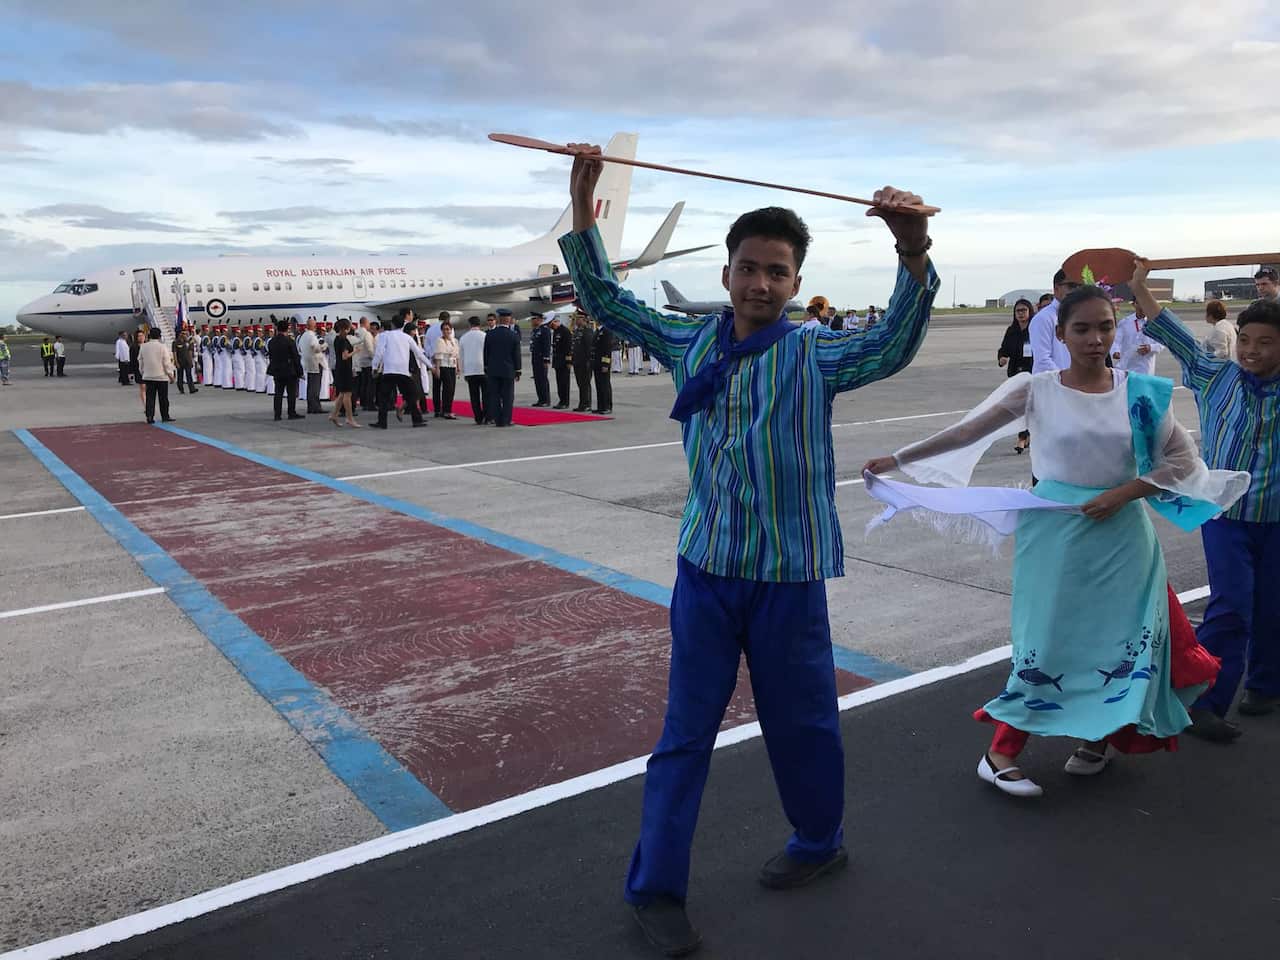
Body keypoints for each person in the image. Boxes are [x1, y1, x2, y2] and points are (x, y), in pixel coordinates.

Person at [560, 141, 939, 956]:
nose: (760, 283)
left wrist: (912, 250)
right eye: (748, 267)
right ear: (727, 274)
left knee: (801, 721)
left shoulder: (817, 354)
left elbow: (895, 345)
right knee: (683, 733)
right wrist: (582, 193)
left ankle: (817, 841)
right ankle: (656, 890)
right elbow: (601, 294)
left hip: (787, 576)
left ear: (796, 284)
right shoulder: (685, 342)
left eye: (777, 271)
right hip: (706, 571)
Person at [863, 282, 1247, 798]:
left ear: (1118, 329)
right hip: (1054, 534)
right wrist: (900, 459)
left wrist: (1123, 493)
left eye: (1105, 327)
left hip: (1123, 538)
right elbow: (966, 432)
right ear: (1060, 334)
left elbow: (1181, 462)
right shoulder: (1035, 390)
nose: (1094, 339)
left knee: (1120, 642)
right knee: (1048, 639)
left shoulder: (1141, 393)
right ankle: (1000, 751)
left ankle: (1097, 740)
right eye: (1082, 329)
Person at [1138, 261, 1280, 739]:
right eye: (1246, 340)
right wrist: (1138, 287)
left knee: (1272, 605)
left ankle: (1265, 683)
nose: (1252, 350)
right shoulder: (1214, 376)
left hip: (1277, 518)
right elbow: (1173, 331)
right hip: (1224, 515)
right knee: (1232, 605)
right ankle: (1204, 701)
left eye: (1265, 342)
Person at [371, 311, 429, 429]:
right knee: (411, 396)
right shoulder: (407, 337)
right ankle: (416, 420)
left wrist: (374, 367)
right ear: (403, 325)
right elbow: (419, 353)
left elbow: (379, 353)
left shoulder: (384, 335)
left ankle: (382, 422)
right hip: (403, 371)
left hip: (389, 370)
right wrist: (431, 366)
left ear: (392, 324)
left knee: (384, 398)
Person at [997, 298, 1035, 453]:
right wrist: (1001, 358)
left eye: (1023, 310)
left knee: (1028, 407)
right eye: (1017, 311)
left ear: (1029, 311)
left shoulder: (1035, 329)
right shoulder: (1011, 330)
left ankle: (1022, 438)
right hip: (1015, 373)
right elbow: (1004, 348)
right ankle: (1025, 435)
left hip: (1032, 372)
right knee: (1021, 408)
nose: (1020, 314)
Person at [1029, 268, 1079, 374]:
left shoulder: (1079, 316)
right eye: (1072, 286)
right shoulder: (1043, 318)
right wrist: (1066, 381)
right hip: (1051, 384)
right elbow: (1042, 360)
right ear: (1056, 289)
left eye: (1080, 286)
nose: (1076, 290)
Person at [483, 310, 521, 427]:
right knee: (508, 396)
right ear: (509, 320)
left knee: (494, 395)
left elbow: (486, 353)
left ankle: (498, 420)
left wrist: (486, 367)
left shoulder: (490, 334)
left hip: (493, 369)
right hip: (508, 370)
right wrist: (518, 370)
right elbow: (516, 355)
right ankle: (506, 419)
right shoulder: (513, 335)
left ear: (499, 319)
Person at [1111, 298, 1165, 376]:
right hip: (1126, 368)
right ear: (1134, 304)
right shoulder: (1125, 322)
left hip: (1145, 369)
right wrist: (1115, 351)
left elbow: (1161, 343)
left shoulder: (1154, 324)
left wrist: (1150, 348)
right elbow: (1116, 341)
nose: (1143, 306)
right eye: (1140, 303)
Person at [267, 319, 304, 421]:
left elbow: (270, 356)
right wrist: (300, 372)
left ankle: (277, 414)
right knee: (291, 393)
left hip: (277, 370)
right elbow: (296, 357)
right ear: (287, 329)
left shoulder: (272, 342)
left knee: (278, 393)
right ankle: (291, 412)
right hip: (289, 370)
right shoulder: (289, 341)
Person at [138, 327, 176, 425]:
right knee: (163, 398)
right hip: (161, 376)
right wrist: (171, 375)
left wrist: (143, 372)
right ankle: (165, 416)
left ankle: (150, 416)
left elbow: (140, 361)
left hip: (148, 376)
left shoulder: (143, 346)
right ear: (159, 336)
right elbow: (166, 363)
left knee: (150, 397)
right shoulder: (162, 347)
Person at [327, 318, 360, 428]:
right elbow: (345, 356)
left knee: (341, 394)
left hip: (340, 368)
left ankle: (334, 414)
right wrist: (355, 351)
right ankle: (349, 418)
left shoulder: (337, 339)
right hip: (345, 369)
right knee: (347, 394)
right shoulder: (344, 340)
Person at [459, 316, 488, 424]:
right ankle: (487, 415)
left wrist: (463, 370)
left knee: (474, 395)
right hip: (483, 368)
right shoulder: (485, 336)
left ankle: (478, 417)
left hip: (470, 369)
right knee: (486, 394)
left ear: (469, 324)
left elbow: (461, 356)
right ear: (479, 324)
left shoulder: (463, 337)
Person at [433, 319, 459, 419]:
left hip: (452, 366)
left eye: (448, 329)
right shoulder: (440, 340)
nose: (446, 331)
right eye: (444, 329)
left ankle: (448, 409)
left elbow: (457, 355)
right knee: (447, 389)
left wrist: (458, 367)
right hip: (443, 366)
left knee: (452, 389)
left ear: (451, 330)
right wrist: (438, 369)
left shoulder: (454, 341)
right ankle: (446, 411)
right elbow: (438, 356)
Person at [299, 318, 323, 413]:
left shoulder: (303, 336)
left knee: (310, 385)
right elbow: (314, 347)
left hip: (307, 361)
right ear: (313, 326)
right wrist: (322, 347)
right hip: (315, 362)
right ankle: (316, 407)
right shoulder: (312, 336)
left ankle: (311, 406)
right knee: (315, 386)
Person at [572, 310, 595, 412]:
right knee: (580, 384)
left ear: (584, 319)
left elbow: (589, 348)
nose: (577, 320)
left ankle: (587, 404)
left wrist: (588, 362)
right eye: (576, 318)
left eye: (579, 318)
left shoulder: (588, 331)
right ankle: (582, 404)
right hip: (577, 362)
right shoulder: (577, 331)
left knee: (585, 384)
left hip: (585, 362)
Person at [529, 311, 553, 406]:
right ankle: (541, 399)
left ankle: (546, 400)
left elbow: (546, 345)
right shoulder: (535, 330)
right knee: (537, 379)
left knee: (542, 379)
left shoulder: (545, 330)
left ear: (539, 319)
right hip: (535, 358)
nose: (531, 321)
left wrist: (546, 359)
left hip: (542, 358)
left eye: (533, 319)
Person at [591, 318, 614, 415]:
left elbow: (607, 349)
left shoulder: (607, 331)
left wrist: (606, 364)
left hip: (603, 363)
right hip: (596, 362)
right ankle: (600, 406)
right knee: (599, 385)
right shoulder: (597, 331)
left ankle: (607, 406)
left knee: (605, 385)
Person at [550, 313, 573, 407]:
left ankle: (565, 402)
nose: (551, 326)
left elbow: (568, 348)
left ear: (556, 322)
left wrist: (568, 361)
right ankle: (561, 400)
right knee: (559, 382)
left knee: (564, 383)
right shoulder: (556, 331)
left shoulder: (565, 331)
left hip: (564, 362)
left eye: (551, 324)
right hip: (558, 361)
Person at [174, 328, 198, 394]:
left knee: (189, 375)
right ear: (180, 334)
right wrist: (176, 362)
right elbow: (175, 353)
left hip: (187, 362)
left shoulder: (189, 342)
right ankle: (181, 389)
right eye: (183, 333)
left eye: (186, 333)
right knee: (180, 376)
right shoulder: (176, 342)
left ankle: (192, 389)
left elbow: (190, 352)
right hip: (180, 361)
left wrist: (191, 361)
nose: (184, 335)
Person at [131, 330, 146, 405]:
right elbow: (132, 360)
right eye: (139, 336)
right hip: (139, 370)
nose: (141, 337)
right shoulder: (134, 347)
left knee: (148, 388)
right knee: (143, 387)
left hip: (148, 369)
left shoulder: (148, 345)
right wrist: (132, 372)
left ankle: (149, 403)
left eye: (142, 335)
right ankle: (145, 404)